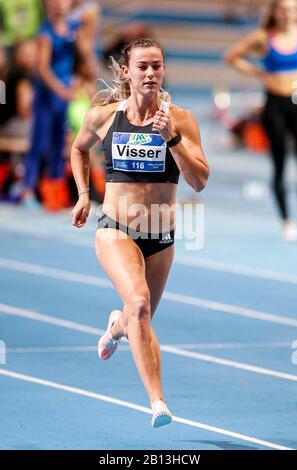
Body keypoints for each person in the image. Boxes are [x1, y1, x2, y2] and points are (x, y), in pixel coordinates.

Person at [71, 38, 209, 427]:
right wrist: (84, 195)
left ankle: (115, 327)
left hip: (160, 239)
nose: (151, 73)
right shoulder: (104, 115)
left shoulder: (180, 120)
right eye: (143, 66)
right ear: (126, 72)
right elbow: (78, 149)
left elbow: (199, 181)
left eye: (157, 66)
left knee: (136, 318)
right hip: (116, 229)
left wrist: (173, 141)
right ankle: (158, 403)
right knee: (141, 304)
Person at [225, 0, 297, 242]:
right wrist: (258, 73)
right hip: (275, 105)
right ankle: (287, 220)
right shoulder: (263, 37)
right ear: (275, 12)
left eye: (292, 9)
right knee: (279, 163)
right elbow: (231, 56)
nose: (287, 14)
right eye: (283, 9)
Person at [22, 0, 82, 210]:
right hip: (48, 96)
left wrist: (76, 81)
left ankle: (56, 188)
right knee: (39, 142)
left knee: (60, 143)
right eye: (54, 1)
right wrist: (61, 90)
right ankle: (28, 188)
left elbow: (80, 60)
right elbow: (42, 68)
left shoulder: (74, 28)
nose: (59, 4)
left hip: (65, 95)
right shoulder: (45, 32)